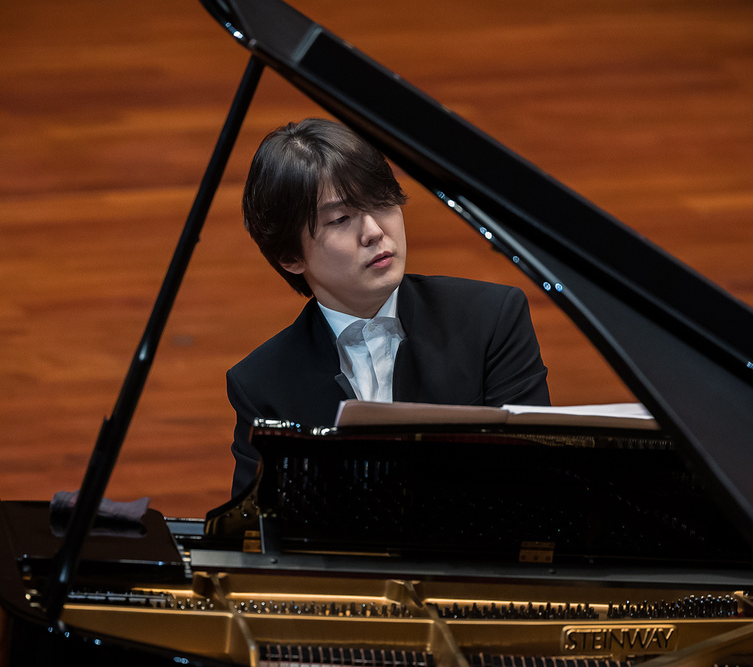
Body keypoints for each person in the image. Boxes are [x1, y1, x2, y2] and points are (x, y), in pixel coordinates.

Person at [227, 118, 550, 496]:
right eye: (341, 219)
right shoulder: (262, 384)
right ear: (290, 257)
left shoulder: (492, 319)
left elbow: (537, 478)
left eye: (382, 203)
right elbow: (258, 537)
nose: (374, 231)